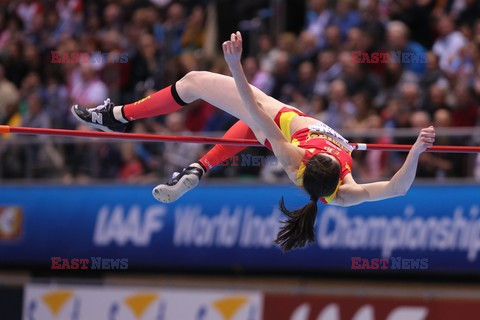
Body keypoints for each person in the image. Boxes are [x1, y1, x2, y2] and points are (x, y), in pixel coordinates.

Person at [72, 32, 436, 252]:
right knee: (248, 126)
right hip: (272, 125)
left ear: (306, 163)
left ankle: (117, 116)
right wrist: (416, 151)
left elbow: (253, 108)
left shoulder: (294, 156)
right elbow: (397, 188)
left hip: (278, 118)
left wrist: (235, 67)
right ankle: (200, 167)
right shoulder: (344, 192)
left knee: (196, 81)